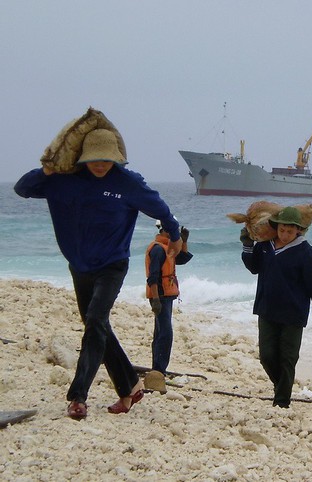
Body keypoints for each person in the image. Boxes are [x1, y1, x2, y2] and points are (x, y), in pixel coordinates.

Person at [14, 127, 182, 419]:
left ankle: (78, 396)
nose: (101, 164)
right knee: (97, 326)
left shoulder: (127, 183)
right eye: (95, 158)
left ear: (116, 158)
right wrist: (48, 170)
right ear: (82, 158)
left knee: (94, 320)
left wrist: (175, 234)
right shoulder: (64, 180)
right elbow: (23, 188)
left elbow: (161, 210)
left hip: (112, 264)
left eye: (107, 159)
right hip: (79, 265)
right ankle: (130, 386)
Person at [241, 206, 312, 408]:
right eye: (282, 230)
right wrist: (248, 245)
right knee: (267, 356)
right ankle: (281, 386)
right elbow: (254, 267)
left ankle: (282, 402)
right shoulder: (265, 246)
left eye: (290, 231)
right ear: (276, 227)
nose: (285, 235)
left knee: (288, 359)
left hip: (293, 314)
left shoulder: (304, 252)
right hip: (267, 310)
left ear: (298, 231)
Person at [143, 219, 193, 393]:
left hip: (165, 295)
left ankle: (157, 368)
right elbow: (153, 276)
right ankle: (159, 369)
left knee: (160, 332)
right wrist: (155, 299)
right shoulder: (158, 249)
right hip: (161, 296)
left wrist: (184, 241)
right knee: (164, 333)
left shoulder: (167, 248)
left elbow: (182, 259)